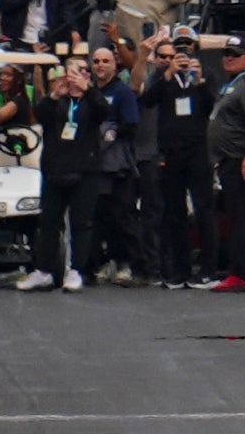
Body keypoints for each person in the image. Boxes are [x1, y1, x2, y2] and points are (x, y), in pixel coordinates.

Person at [20, 57, 101, 291]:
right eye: (74, 71)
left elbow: (104, 112)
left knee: (81, 222)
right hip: (55, 168)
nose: (79, 75)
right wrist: (55, 94)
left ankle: (76, 270)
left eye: (84, 70)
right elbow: (39, 114)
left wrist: (88, 90)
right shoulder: (58, 101)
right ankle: (43, 270)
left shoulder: (92, 100)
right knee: (48, 222)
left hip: (85, 168)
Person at [144, 30, 217, 288]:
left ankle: (208, 269)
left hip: (198, 152)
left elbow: (212, 107)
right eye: (179, 46)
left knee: (204, 210)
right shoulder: (163, 78)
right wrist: (168, 74)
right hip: (172, 153)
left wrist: (200, 82)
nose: (184, 50)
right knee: (174, 212)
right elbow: (147, 101)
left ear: (195, 47)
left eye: (188, 45)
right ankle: (180, 269)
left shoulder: (205, 75)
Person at [207, 39, 245, 292]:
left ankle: (241, 272)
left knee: (242, 218)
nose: (229, 58)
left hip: (240, 159)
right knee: (242, 216)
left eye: (235, 54)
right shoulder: (233, 83)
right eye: (226, 54)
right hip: (229, 159)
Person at [87, 45, 147, 285]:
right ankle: (109, 262)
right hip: (95, 164)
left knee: (124, 216)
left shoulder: (122, 92)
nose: (100, 65)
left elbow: (132, 125)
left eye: (106, 61)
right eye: (96, 61)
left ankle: (136, 267)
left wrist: (111, 131)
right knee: (100, 217)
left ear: (115, 65)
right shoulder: (89, 91)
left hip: (118, 164)